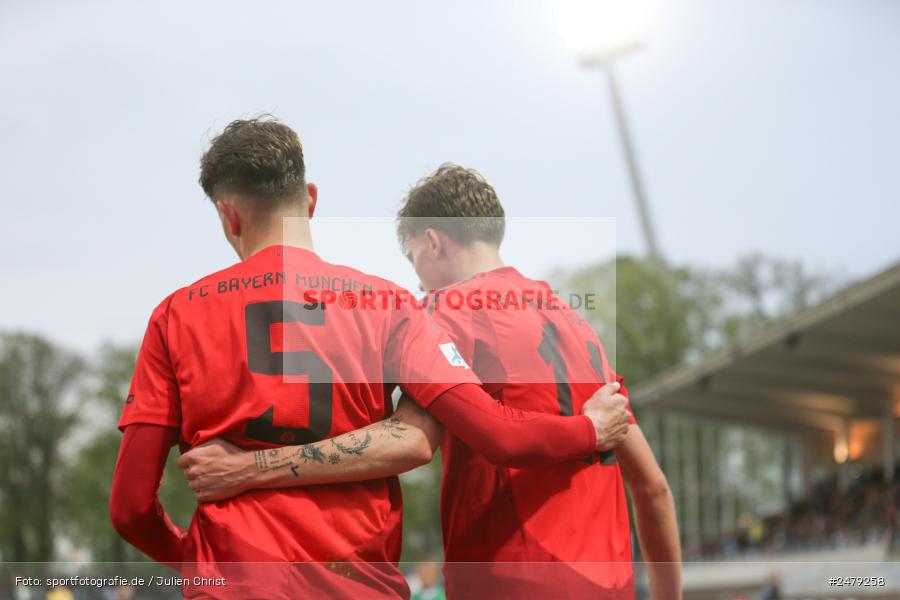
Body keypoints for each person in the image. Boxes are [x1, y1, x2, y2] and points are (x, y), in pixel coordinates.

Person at [109, 119, 631, 599]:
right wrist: (588, 429)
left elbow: (131, 508)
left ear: (228, 213)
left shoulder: (175, 316)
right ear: (309, 200)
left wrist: (201, 563)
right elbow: (492, 432)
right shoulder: (389, 305)